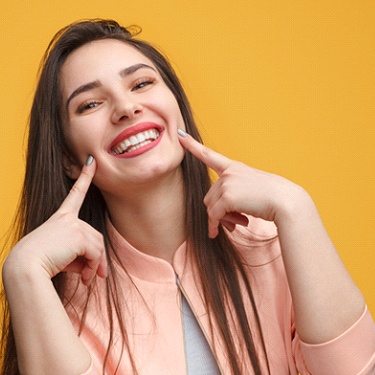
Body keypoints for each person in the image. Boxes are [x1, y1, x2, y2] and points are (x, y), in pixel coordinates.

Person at [1, 19, 374, 375]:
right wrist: (22, 272)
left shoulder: (271, 243)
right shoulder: (61, 300)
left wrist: (297, 208)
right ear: (67, 158)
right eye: (90, 104)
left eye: (142, 84)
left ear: (176, 106)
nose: (127, 108)